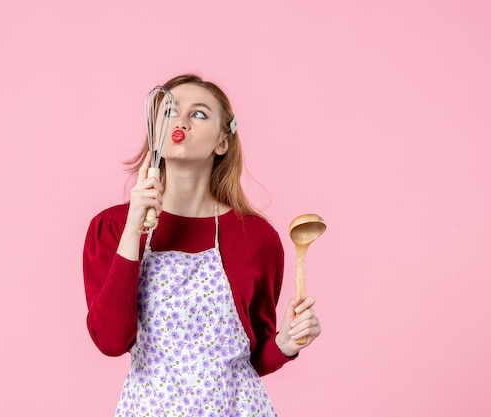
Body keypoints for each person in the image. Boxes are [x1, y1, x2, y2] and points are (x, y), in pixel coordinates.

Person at [83, 74, 322, 416]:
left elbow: (253, 358)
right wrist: (134, 226)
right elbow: (110, 341)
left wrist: (285, 343)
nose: (180, 121)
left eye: (198, 114)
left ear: (222, 142)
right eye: (169, 112)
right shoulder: (112, 227)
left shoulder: (257, 238)